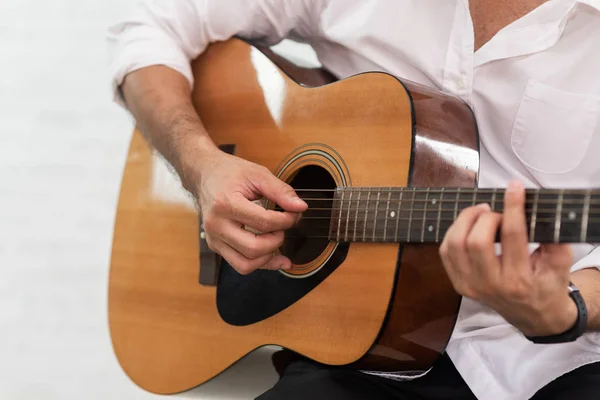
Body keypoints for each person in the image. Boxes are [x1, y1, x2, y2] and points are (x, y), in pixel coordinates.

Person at [106, 1, 600, 399]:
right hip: (366, 350)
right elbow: (150, 24)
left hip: (565, 359)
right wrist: (202, 168)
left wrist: (565, 307)